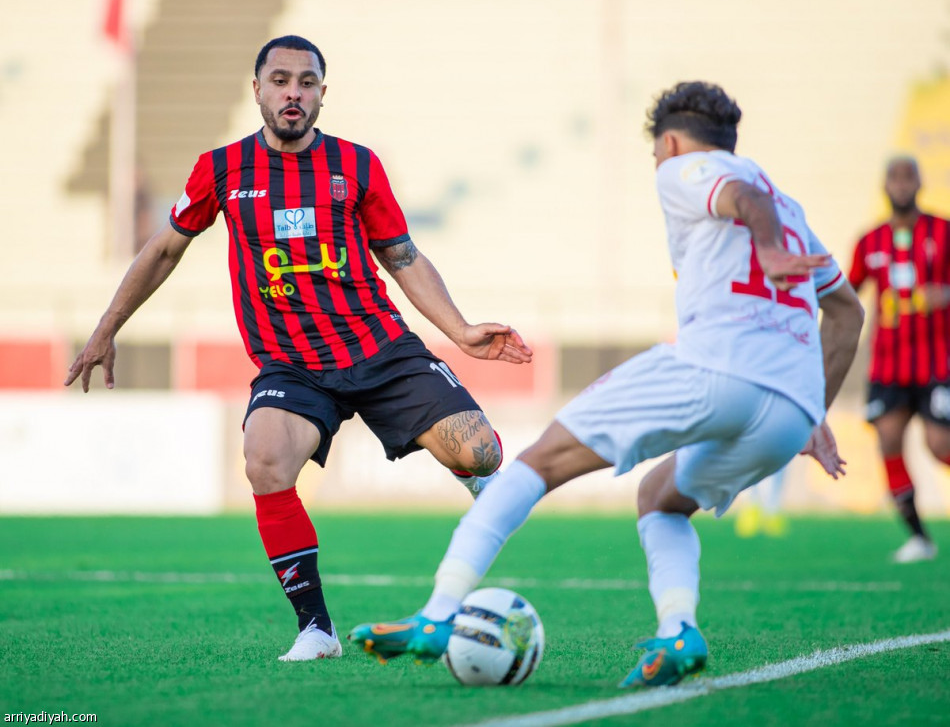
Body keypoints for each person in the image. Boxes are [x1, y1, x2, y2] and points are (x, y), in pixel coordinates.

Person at [349, 81, 865, 687]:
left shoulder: (687, 169)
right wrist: (813, 410)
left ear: (669, 142)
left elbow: (743, 196)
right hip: (785, 412)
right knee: (661, 499)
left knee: (535, 463)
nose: (656, 166)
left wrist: (771, 252)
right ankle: (679, 630)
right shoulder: (795, 208)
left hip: (713, 368)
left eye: (654, 154)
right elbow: (848, 313)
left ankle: (437, 616)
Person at [64, 35, 533, 662]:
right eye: (280, 80)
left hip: (380, 346)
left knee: (481, 453)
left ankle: (473, 477)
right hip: (293, 365)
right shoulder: (222, 170)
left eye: (306, 83)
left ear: (321, 94)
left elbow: (402, 257)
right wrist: (107, 326)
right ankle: (317, 628)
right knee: (263, 459)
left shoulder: (358, 166)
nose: (293, 93)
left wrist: (461, 330)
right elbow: (164, 249)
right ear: (256, 89)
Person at [848, 156, 948, 563]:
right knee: (888, 439)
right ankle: (919, 538)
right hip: (888, 365)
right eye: (895, 178)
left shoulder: (943, 232)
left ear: (920, 184)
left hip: (938, 362)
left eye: (909, 177)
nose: (902, 185)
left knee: (940, 446)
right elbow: (846, 292)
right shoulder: (869, 242)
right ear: (884, 185)